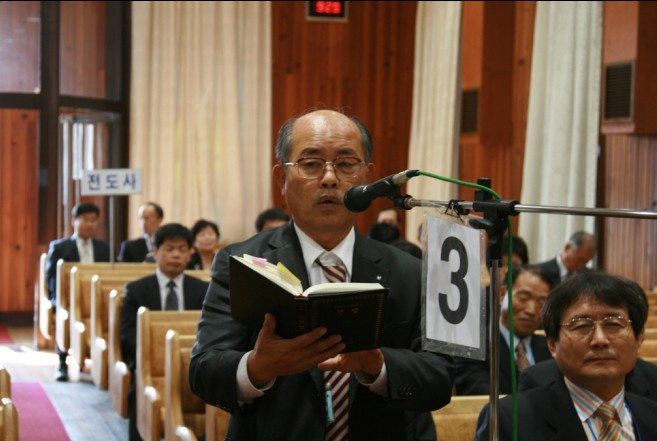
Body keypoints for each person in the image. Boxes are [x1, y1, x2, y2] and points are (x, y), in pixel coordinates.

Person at [189, 109, 454, 441]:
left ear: (367, 178)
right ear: (281, 178)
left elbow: (441, 378)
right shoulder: (240, 263)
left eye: (346, 164)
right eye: (311, 164)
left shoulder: (411, 271)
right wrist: (258, 367)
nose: (330, 178)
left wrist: (377, 365)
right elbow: (203, 372)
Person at [474, 271, 657, 441]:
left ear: (639, 338)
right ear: (553, 344)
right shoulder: (509, 419)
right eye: (582, 326)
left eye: (614, 325)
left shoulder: (651, 415)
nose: (600, 340)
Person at [120, 223, 209, 441]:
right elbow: (128, 337)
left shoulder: (203, 290)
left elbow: (210, 332)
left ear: (190, 254)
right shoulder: (136, 290)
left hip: (193, 364)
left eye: (182, 249)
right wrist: (157, 358)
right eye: (169, 249)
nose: (176, 255)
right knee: (139, 388)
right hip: (150, 366)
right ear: (156, 252)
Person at [454, 265, 552, 395]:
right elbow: (478, 392)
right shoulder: (473, 344)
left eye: (542, 303)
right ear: (501, 295)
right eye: (523, 298)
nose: (531, 310)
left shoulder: (553, 348)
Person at [45, 202, 110, 382]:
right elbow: (52, 277)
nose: (89, 224)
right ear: (74, 221)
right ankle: (62, 362)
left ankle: (104, 362)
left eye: (93, 220)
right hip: (68, 298)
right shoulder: (60, 247)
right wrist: (59, 298)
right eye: (84, 220)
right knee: (65, 315)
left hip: (98, 297)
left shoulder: (104, 248)